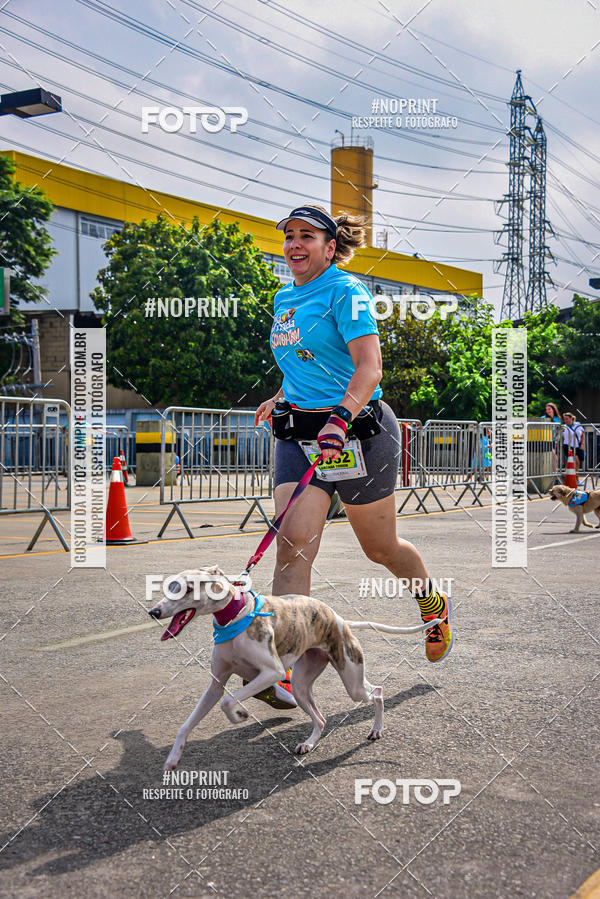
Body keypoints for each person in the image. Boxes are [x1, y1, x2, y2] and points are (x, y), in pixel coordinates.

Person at [254, 204, 452, 709]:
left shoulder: (347, 292)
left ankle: (433, 603)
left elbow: (368, 366)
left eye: (306, 236)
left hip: (359, 433)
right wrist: (280, 395)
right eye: (289, 236)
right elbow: (305, 362)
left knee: (380, 548)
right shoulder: (283, 298)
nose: (294, 245)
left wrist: (340, 418)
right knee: (292, 544)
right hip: (301, 437)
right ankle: (281, 666)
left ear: (329, 246)